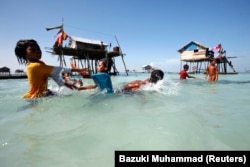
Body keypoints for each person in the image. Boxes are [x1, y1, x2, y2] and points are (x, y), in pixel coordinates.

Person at [14, 39, 88, 98]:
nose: (37, 51)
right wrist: (78, 70)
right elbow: (60, 69)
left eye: (38, 48)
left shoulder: (40, 63)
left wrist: (63, 84)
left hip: (45, 93)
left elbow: (53, 74)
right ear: (25, 54)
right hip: (35, 97)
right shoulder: (35, 66)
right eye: (32, 49)